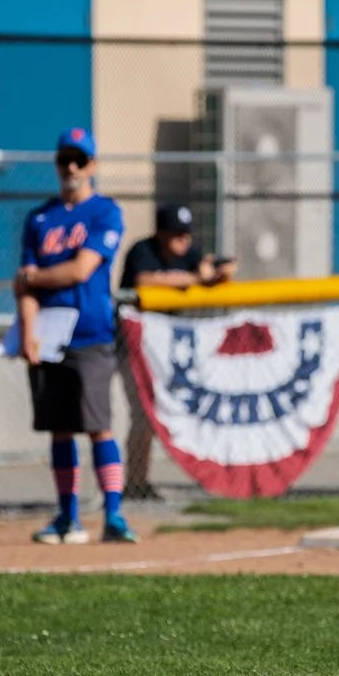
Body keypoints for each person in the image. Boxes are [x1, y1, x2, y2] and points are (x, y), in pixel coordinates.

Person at [14, 126, 137, 544]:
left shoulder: (104, 212)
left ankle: (114, 514)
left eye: (79, 160)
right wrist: (27, 330)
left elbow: (82, 269)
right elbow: (24, 287)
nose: (71, 167)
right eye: (65, 159)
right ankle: (68, 516)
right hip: (48, 336)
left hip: (90, 333)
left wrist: (35, 277)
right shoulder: (40, 218)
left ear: (92, 165)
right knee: (59, 427)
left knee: (98, 425)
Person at [115, 204, 237, 500]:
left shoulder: (189, 253)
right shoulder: (143, 250)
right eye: (176, 234)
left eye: (186, 234)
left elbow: (209, 273)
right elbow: (145, 280)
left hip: (167, 349)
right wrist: (196, 279)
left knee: (187, 410)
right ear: (161, 233)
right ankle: (136, 483)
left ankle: (211, 477)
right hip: (131, 347)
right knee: (143, 414)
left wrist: (218, 273)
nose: (184, 241)